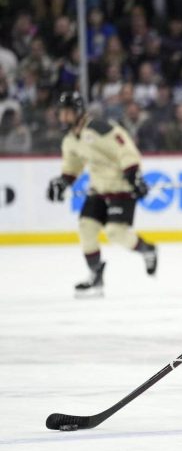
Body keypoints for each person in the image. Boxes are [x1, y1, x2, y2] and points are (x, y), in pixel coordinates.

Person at [46, 91, 157, 297]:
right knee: (86, 227)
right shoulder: (70, 140)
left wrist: (134, 174)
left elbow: (125, 148)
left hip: (121, 189)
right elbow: (73, 166)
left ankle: (147, 250)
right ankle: (95, 275)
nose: (62, 117)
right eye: (61, 113)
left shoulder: (99, 129)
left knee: (116, 233)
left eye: (66, 113)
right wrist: (63, 182)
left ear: (78, 111)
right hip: (98, 190)